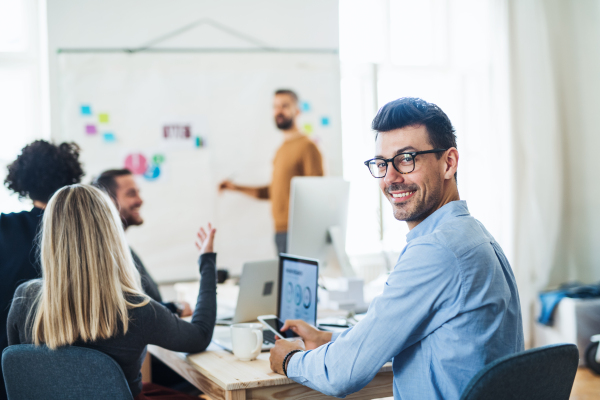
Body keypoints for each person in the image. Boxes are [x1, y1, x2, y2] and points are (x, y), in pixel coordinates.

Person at [269, 97, 524, 400]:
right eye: (382, 163)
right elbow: (401, 333)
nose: (390, 177)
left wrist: (288, 359)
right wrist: (329, 339)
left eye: (406, 159)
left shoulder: (437, 250)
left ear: (449, 163)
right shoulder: (472, 233)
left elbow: (342, 374)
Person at [6, 184, 217, 400]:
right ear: (111, 233)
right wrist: (207, 261)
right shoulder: (136, 309)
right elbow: (199, 336)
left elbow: (21, 366)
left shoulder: (25, 298)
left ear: (50, 236)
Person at [0, 140, 84, 400]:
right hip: (76, 370)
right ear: (70, 178)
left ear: (21, 182)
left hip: (8, 369)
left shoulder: (4, 227)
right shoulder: (84, 235)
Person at [218, 89, 324, 254]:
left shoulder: (308, 147)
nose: (278, 111)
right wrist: (236, 188)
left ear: (297, 111)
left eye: (284, 106)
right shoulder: (281, 150)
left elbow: (318, 193)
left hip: (298, 232)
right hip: (280, 232)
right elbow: (274, 191)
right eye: (275, 106)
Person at [92, 169, 192, 318]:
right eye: (131, 194)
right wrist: (175, 308)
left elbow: (147, 301)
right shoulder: (105, 254)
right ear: (108, 202)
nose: (140, 200)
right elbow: (129, 311)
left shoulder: (122, 248)